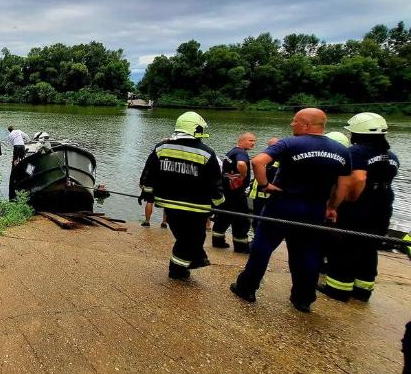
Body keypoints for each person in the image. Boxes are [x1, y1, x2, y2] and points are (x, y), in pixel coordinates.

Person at [230, 108, 351, 313]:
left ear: (305, 124)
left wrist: (264, 185)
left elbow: (258, 161)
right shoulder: (341, 151)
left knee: (263, 247)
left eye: (294, 121)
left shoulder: (290, 143)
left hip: (282, 204)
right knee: (307, 254)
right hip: (314, 209)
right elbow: (343, 186)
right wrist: (332, 207)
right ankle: (303, 298)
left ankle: (247, 288)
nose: (291, 124)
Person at [319, 113, 399, 302]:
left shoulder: (357, 152)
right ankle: (363, 288)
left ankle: (338, 287)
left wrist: (340, 203)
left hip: (359, 207)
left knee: (344, 245)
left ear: (358, 133)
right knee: (369, 246)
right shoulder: (390, 156)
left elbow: (358, 179)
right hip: (383, 205)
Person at [139, 111, 224, 280]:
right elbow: (215, 183)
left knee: (184, 237)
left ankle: (190, 262)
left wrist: (148, 194)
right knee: (193, 238)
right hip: (196, 206)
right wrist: (219, 204)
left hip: (169, 204)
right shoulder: (207, 153)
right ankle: (177, 269)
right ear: (195, 129)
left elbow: (149, 174)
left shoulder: (161, 147)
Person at [212, 132, 256, 253]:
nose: (253, 143)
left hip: (226, 191)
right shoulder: (241, 153)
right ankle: (241, 247)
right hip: (237, 193)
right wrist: (244, 174)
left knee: (223, 216)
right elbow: (241, 163)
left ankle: (217, 241)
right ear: (241, 141)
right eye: (251, 140)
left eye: (254, 141)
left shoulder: (231, 152)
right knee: (241, 219)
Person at [247, 137, 280, 230]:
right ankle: (256, 238)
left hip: (269, 195)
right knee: (257, 219)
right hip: (257, 195)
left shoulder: (280, 160)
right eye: (271, 146)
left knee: (266, 220)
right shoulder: (263, 158)